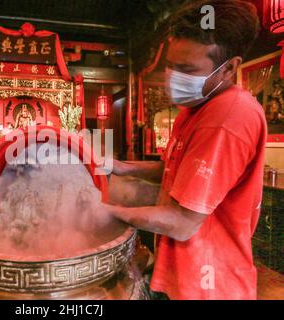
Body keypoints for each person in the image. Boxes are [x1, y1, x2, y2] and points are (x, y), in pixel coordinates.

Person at [104, 0, 266, 299]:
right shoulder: (195, 109)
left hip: (209, 284)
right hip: (183, 272)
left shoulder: (228, 117)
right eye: (170, 65)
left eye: (186, 69)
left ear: (229, 68)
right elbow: (170, 169)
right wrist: (119, 166)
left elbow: (181, 223)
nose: (172, 76)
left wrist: (104, 212)